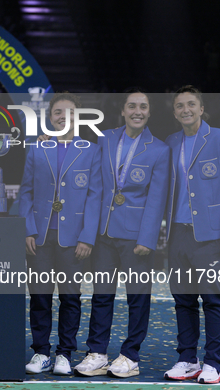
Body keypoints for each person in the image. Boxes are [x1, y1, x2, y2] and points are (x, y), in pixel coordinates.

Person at [73, 90, 170, 378]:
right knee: (102, 295)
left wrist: (147, 239)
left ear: (149, 112)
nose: (137, 111)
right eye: (132, 106)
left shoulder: (159, 149)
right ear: (123, 110)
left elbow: (157, 198)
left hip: (135, 237)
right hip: (104, 233)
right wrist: (46, 142)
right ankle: (98, 353)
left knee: (137, 297)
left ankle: (130, 356)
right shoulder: (105, 139)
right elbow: (81, 159)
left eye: (143, 106)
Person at [19, 93, 102, 376]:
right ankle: (41, 352)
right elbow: (26, 192)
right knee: (39, 297)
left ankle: (64, 353)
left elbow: (95, 197)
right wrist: (28, 228)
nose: (63, 116)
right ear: (50, 117)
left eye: (69, 111)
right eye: (58, 112)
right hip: (39, 238)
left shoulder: (91, 150)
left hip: (73, 239)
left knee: (70, 298)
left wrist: (88, 236)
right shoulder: (37, 148)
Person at [163, 85, 220, 384]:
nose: (186, 109)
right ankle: (187, 359)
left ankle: (213, 363)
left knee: (212, 298)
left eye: (191, 104)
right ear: (174, 112)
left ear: (201, 108)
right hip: (177, 235)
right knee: (183, 300)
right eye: (180, 105)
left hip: (210, 236)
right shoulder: (170, 142)